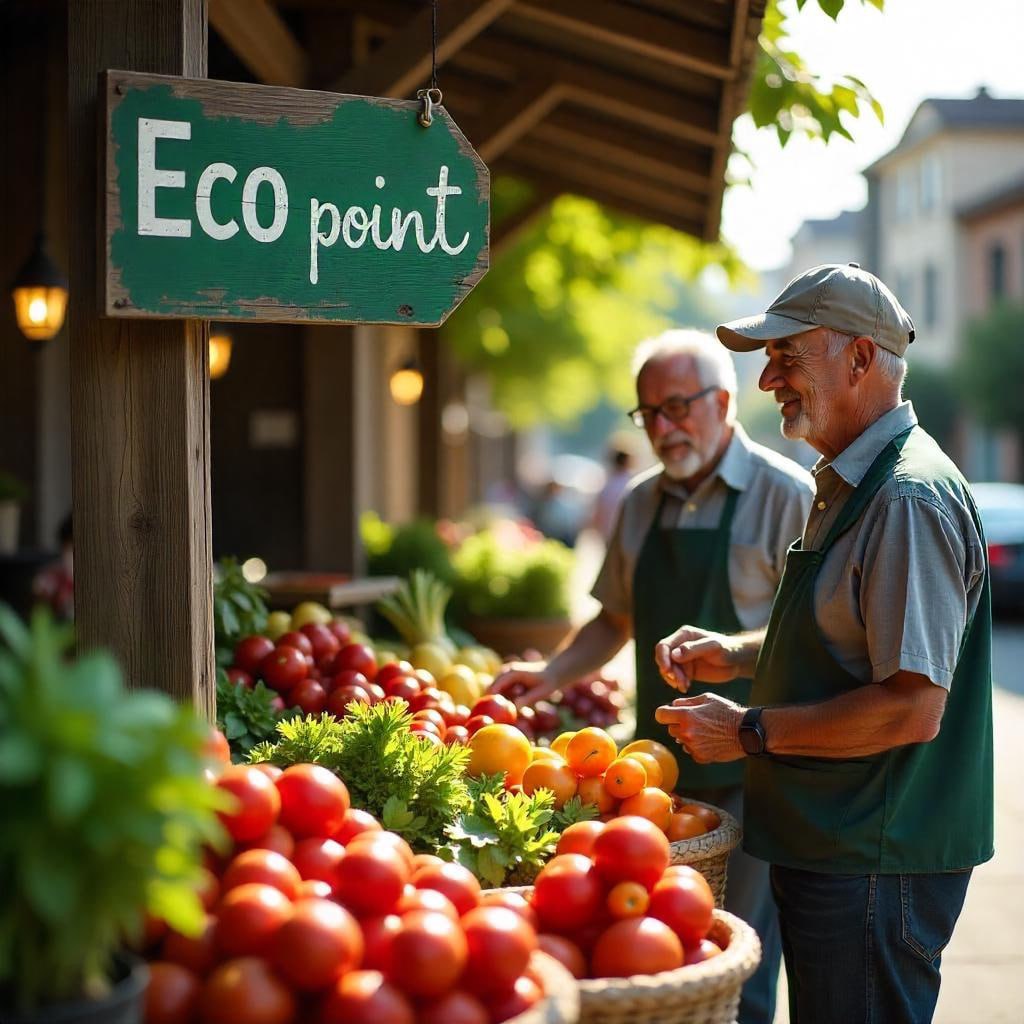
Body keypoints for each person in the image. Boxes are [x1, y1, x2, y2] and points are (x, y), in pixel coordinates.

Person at [655, 264, 993, 1024]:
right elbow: (855, 641)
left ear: (862, 360)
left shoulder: (905, 498)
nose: (769, 378)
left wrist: (746, 730)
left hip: (876, 859)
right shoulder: (851, 482)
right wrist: (740, 655)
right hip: (841, 849)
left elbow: (909, 708)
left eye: (787, 356)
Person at [492, 328, 814, 1023]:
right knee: (656, 955)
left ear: (724, 400)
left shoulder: (789, 496)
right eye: (650, 414)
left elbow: (812, 638)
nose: (664, 428)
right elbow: (614, 621)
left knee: (739, 964)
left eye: (678, 407)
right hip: (650, 783)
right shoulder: (639, 502)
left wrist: (730, 650)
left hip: (757, 773)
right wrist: (548, 674)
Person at [590, 444, 637, 543]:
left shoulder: (608, 483)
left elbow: (599, 510)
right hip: (624, 535)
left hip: (607, 533)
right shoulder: (632, 483)